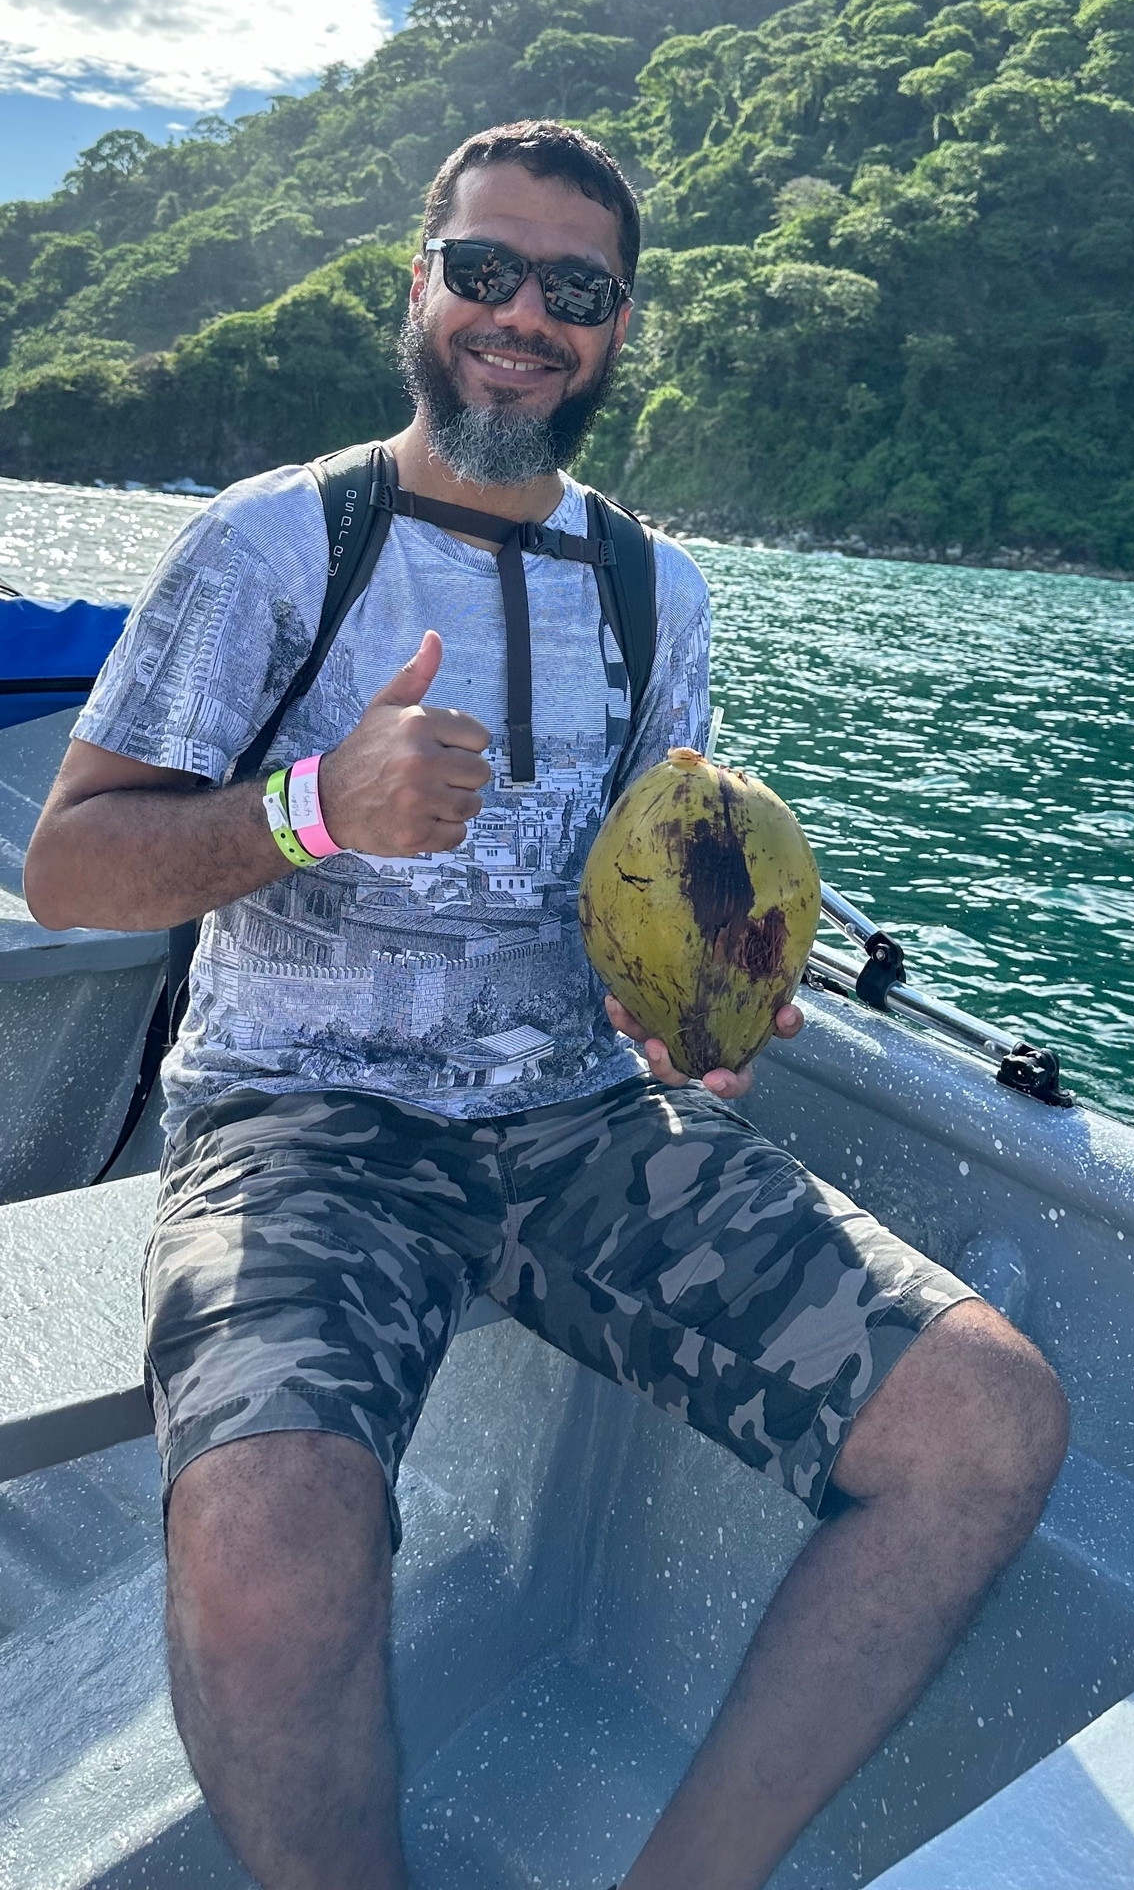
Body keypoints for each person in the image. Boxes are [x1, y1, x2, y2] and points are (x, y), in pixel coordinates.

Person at [25, 120, 1068, 1890]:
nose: (523, 316)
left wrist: (706, 1010)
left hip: (582, 1119)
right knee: (261, 1540)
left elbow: (648, 879)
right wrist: (314, 807)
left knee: (988, 1422)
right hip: (302, 1119)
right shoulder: (272, 546)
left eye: (572, 290)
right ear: (421, 283)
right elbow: (69, 870)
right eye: (486, 269)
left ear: (617, 326)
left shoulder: (656, 591)